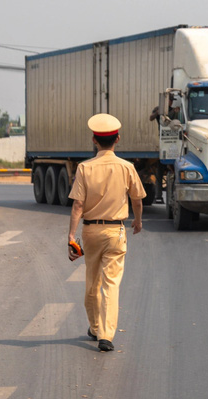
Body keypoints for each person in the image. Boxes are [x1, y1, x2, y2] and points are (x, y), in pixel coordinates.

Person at [67, 113, 146, 352]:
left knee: (92, 282)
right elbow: (137, 199)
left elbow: (78, 205)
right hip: (116, 232)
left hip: (91, 231)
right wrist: (138, 221)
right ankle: (106, 335)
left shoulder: (84, 168)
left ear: (94, 140)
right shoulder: (127, 167)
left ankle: (94, 326)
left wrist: (71, 236)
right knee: (111, 284)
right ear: (118, 139)